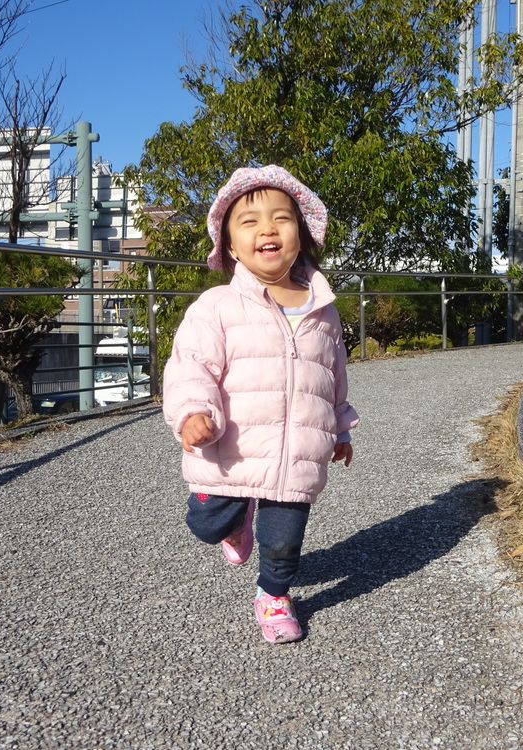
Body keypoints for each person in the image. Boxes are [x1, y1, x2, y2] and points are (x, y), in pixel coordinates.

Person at [162, 165, 359, 644]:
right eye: (249, 222)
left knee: (285, 539)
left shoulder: (323, 308)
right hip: (233, 447)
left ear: (301, 236)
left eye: (281, 219)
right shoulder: (216, 306)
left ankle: (274, 594)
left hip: (296, 453)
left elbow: (332, 375)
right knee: (207, 525)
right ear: (229, 246)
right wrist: (192, 412)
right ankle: (235, 523)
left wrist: (339, 428)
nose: (267, 229)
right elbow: (191, 365)